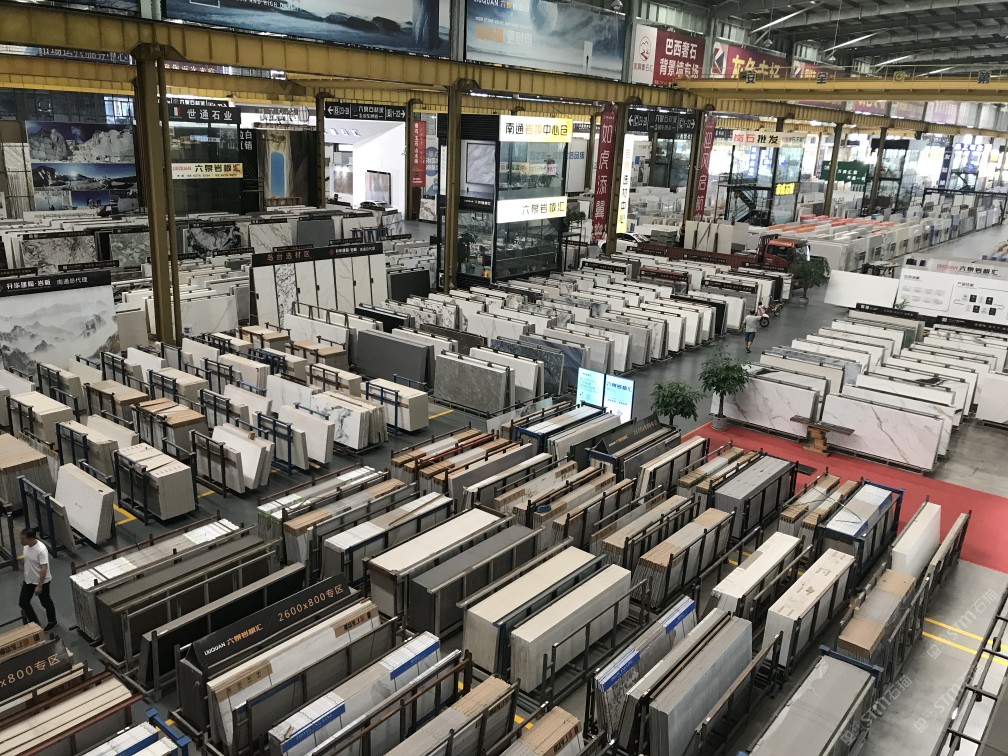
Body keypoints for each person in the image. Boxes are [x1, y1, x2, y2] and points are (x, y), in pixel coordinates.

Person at [19, 527, 56, 631]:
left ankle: (52, 621)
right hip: (29, 580)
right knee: (23, 602)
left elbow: (44, 568)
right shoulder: (26, 547)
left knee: (45, 602)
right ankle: (34, 622)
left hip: (41, 582)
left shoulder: (41, 549)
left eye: (23, 539)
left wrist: (39, 586)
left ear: (30, 538)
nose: (21, 541)